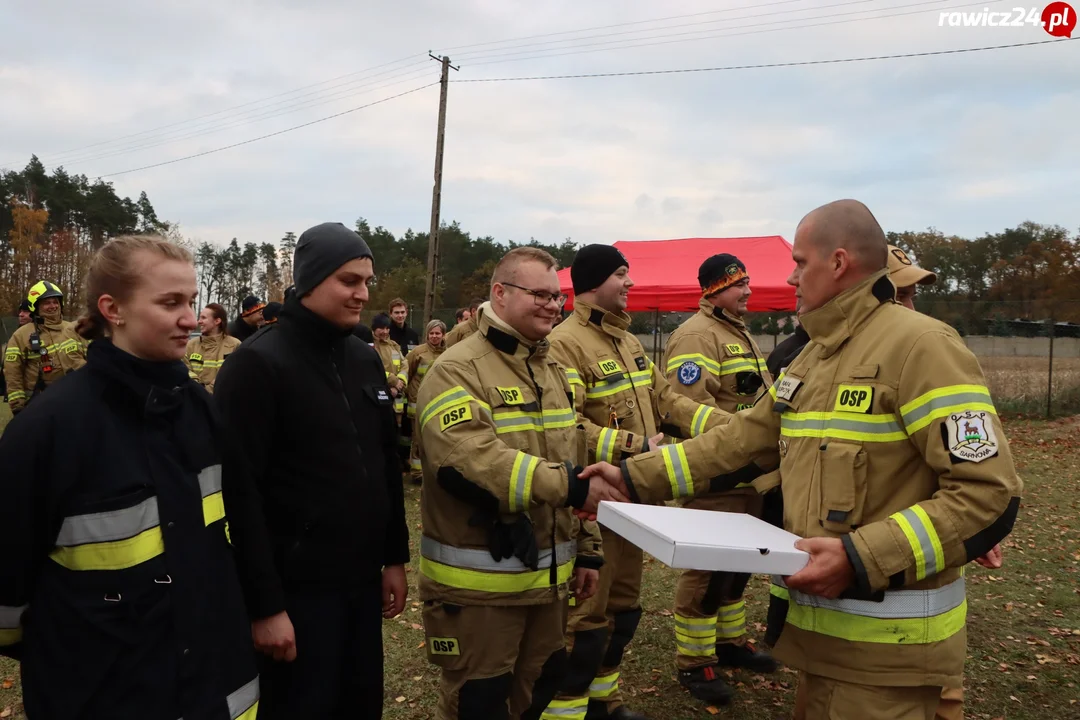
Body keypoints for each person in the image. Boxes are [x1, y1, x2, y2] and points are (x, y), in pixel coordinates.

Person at [584, 199, 1023, 720]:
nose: (790, 279)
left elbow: (988, 493)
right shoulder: (815, 355)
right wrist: (631, 476)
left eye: (799, 263)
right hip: (824, 648)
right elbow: (742, 440)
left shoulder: (922, 346)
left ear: (838, 263)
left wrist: (860, 557)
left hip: (891, 658)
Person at [0, 234, 259, 719]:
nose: (189, 317)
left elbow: (237, 528)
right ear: (112, 309)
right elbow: (8, 596)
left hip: (209, 682)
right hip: (102, 690)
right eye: (170, 302)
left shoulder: (201, 412)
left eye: (191, 300)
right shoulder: (46, 430)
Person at [416, 247, 628, 720]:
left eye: (557, 296)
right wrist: (571, 488)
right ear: (500, 293)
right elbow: (470, 459)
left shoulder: (552, 370)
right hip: (479, 593)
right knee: (479, 702)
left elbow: (573, 457)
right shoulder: (456, 369)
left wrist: (588, 550)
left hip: (547, 586)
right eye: (539, 294)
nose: (553, 305)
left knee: (540, 687)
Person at [214, 222, 410, 719]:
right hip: (296, 593)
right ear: (309, 281)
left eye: (367, 281)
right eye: (349, 281)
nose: (363, 294)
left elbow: (386, 462)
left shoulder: (364, 359)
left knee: (360, 703)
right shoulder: (256, 366)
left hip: (360, 582)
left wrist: (393, 557)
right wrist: (265, 606)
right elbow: (239, 497)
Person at [544, 245, 725, 720]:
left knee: (624, 607)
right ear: (593, 282)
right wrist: (635, 445)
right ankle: (567, 710)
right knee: (589, 614)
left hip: (637, 499)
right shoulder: (565, 343)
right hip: (598, 502)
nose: (630, 283)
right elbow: (569, 428)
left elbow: (669, 401)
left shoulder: (628, 342)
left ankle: (606, 701)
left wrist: (729, 428)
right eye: (622, 274)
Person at [660, 253, 777, 704]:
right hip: (717, 476)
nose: (748, 291)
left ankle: (729, 643)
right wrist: (733, 442)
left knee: (740, 564)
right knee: (707, 569)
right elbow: (686, 411)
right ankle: (694, 662)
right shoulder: (696, 337)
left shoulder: (736, 331)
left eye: (748, 282)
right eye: (739, 284)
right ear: (714, 288)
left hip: (751, 476)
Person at [3, 280, 88, 415]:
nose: (53, 306)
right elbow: (13, 371)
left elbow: (89, 361)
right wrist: (17, 405)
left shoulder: (74, 329)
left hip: (76, 399)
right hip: (39, 403)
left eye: (55, 301)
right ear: (36, 306)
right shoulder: (21, 335)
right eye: (47, 303)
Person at [404, 318, 447, 483]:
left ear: (443, 335)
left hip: (439, 403)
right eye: (431, 333)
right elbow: (407, 372)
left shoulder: (447, 353)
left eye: (437, 333)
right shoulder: (418, 352)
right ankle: (417, 474)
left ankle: (433, 470)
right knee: (418, 440)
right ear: (427, 334)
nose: (434, 336)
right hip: (418, 403)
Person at [184, 303, 241, 394]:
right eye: (199, 318)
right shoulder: (191, 345)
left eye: (203, 318)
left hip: (222, 402)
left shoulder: (234, 345)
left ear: (217, 321)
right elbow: (185, 371)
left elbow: (235, 376)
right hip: (196, 400)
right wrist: (199, 390)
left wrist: (209, 390)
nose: (199, 321)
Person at [373, 312, 409, 421]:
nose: (385, 332)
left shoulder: (394, 345)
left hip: (397, 393)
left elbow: (405, 364)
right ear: (374, 329)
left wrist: (400, 382)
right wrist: (393, 381)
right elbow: (374, 368)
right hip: (380, 392)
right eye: (381, 328)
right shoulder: (370, 346)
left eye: (387, 328)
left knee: (396, 427)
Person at [1, 299, 33, 400]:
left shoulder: (39, 334)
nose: (21, 314)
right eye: (20, 311)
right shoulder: (17, 334)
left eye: (26, 311)